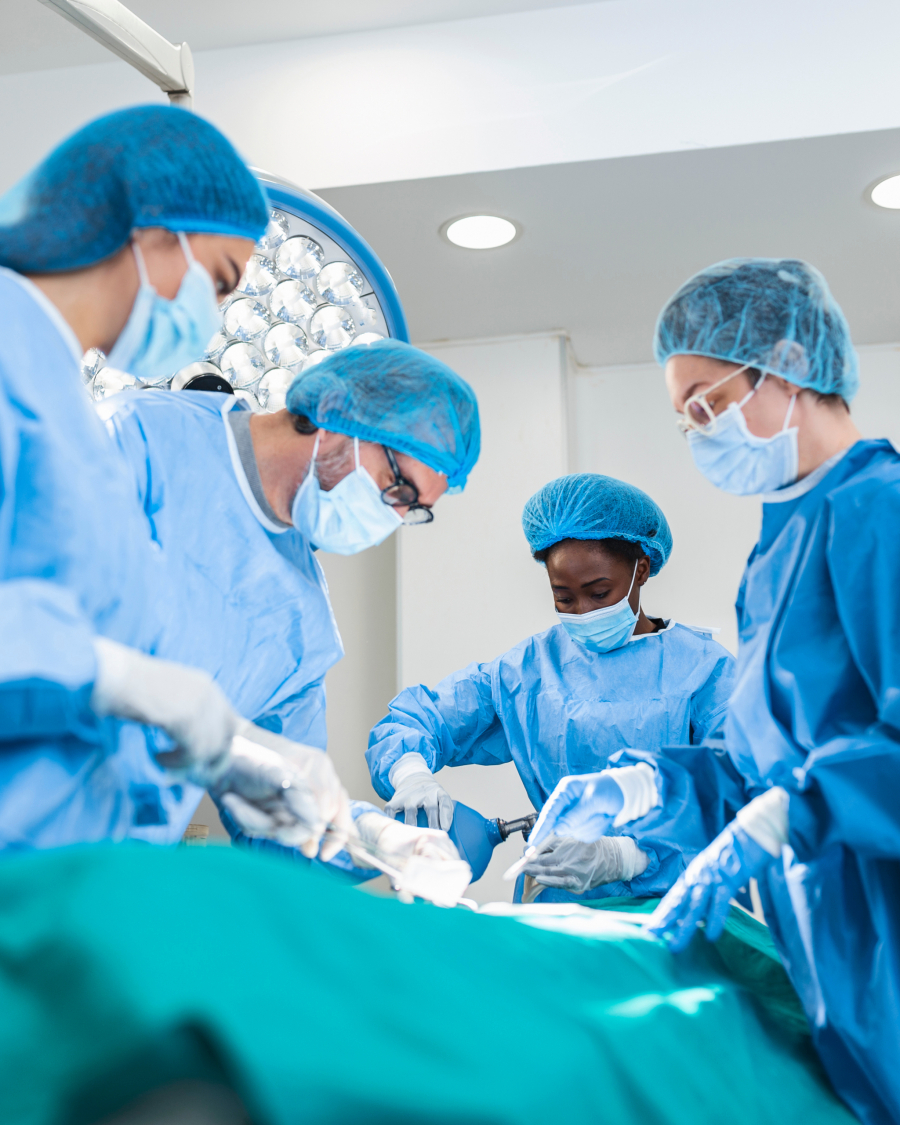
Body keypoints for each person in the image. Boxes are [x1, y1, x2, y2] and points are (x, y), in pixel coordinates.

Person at [530, 258, 896, 1125]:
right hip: (841, 950)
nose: (696, 431)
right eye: (682, 415)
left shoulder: (879, 510)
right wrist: (643, 786)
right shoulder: (778, 551)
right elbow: (762, 758)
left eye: (705, 401)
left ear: (788, 361)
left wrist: (795, 811)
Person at [0, 105, 360, 861]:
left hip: (59, 889)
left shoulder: (67, 410)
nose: (214, 314)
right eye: (220, 280)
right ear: (150, 229)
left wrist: (241, 753)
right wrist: (120, 677)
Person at [100, 338, 480, 879]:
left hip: (104, 888)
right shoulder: (137, 439)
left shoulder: (300, 624)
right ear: (341, 419)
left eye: (412, 511)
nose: (393, 518)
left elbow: (285, 819)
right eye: (398, 489)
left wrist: (375, 840)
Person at [366, 473, 735, 903]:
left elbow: (737, 786)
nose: (583, 611)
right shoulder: (530, 670)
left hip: (680, 904)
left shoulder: (704, 670)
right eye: (564, 597)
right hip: (559, 904)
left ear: (642, 570)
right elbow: (420, 719)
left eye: (599, 593)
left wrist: (627, 856)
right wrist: (410, 775)